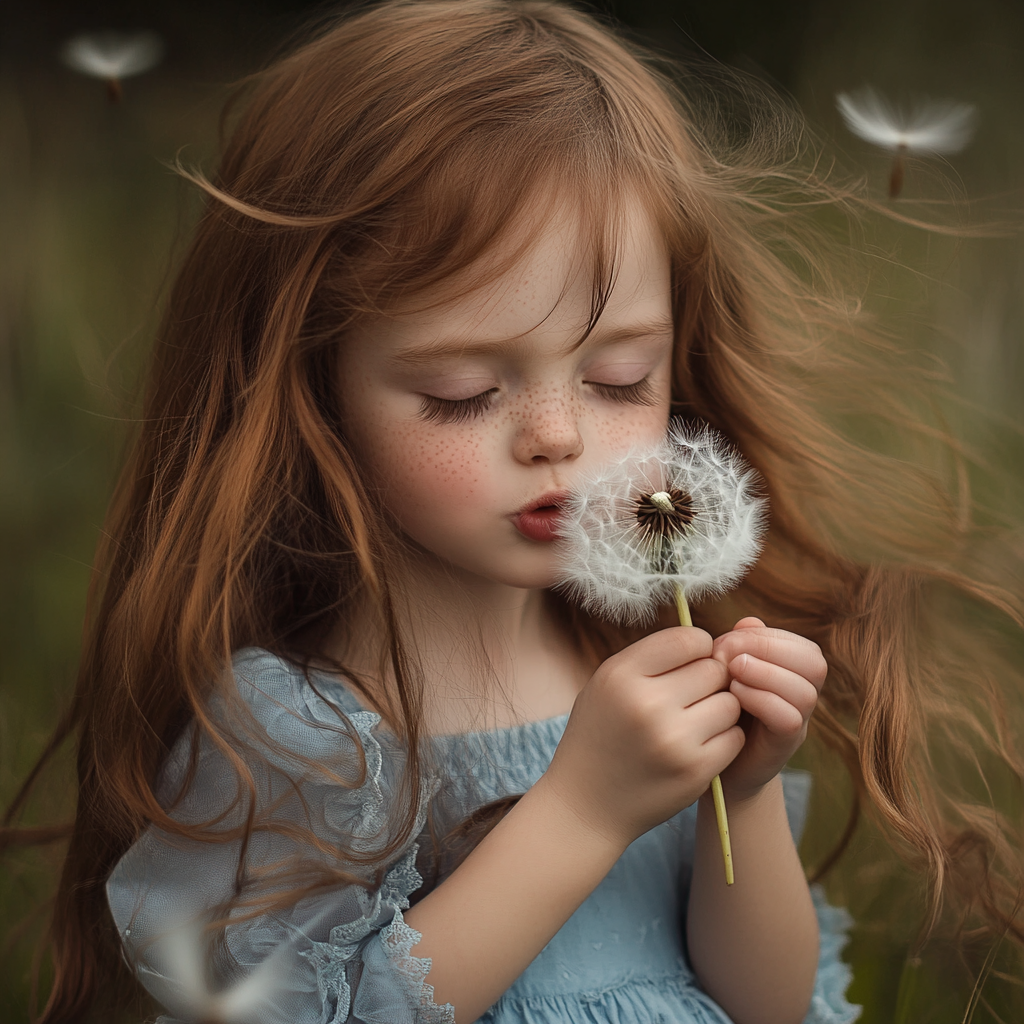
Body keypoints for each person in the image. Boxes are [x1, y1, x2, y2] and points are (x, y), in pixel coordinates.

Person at [4, 1, 1022, 1022]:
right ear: (313, 387)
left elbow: (769, 1002)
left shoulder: (643, 656)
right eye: (460, 389)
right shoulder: (294, 740)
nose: (557, 437)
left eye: (620, 377)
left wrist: (743, 796)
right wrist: (582, 809)